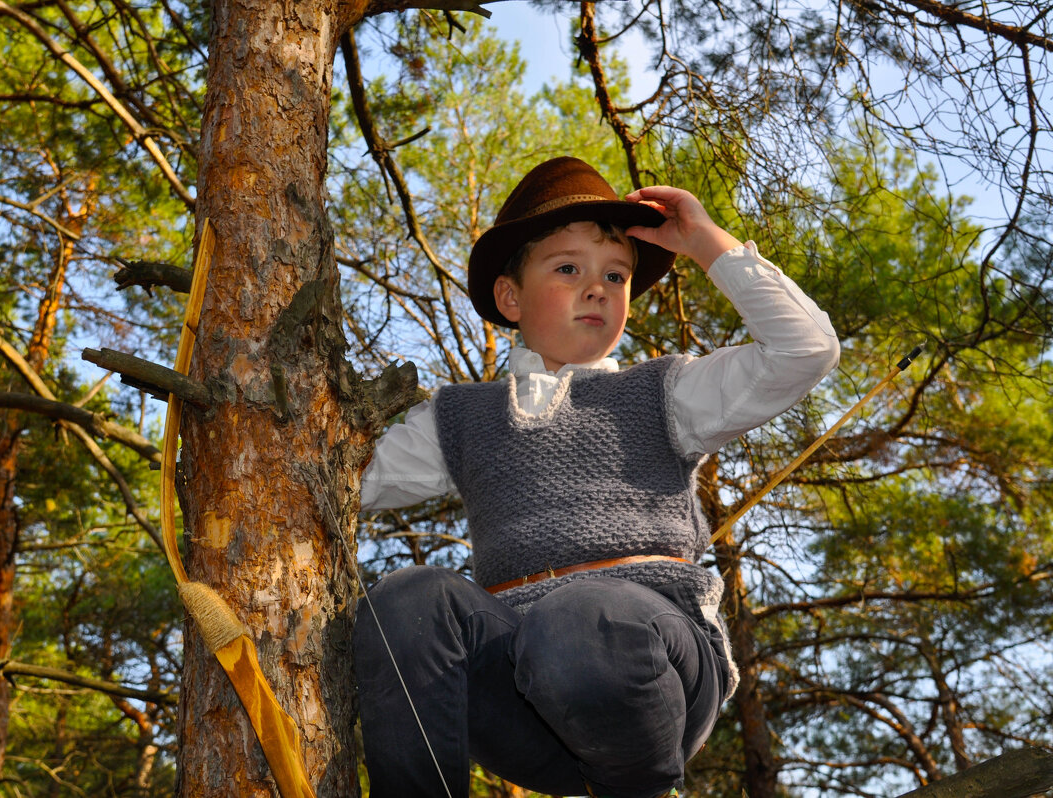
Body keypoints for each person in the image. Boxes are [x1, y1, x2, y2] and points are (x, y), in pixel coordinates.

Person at [353, 156, 840, 798]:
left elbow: (805, 348)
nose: (598, 289)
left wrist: (704, 242)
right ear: (509, 297)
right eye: (567, 268)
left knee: (580, 621)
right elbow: (334, 482)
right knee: (406, 601)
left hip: (650, 667)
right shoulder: (461, 417)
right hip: (520, 696)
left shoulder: (664, 393)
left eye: (616, 275)